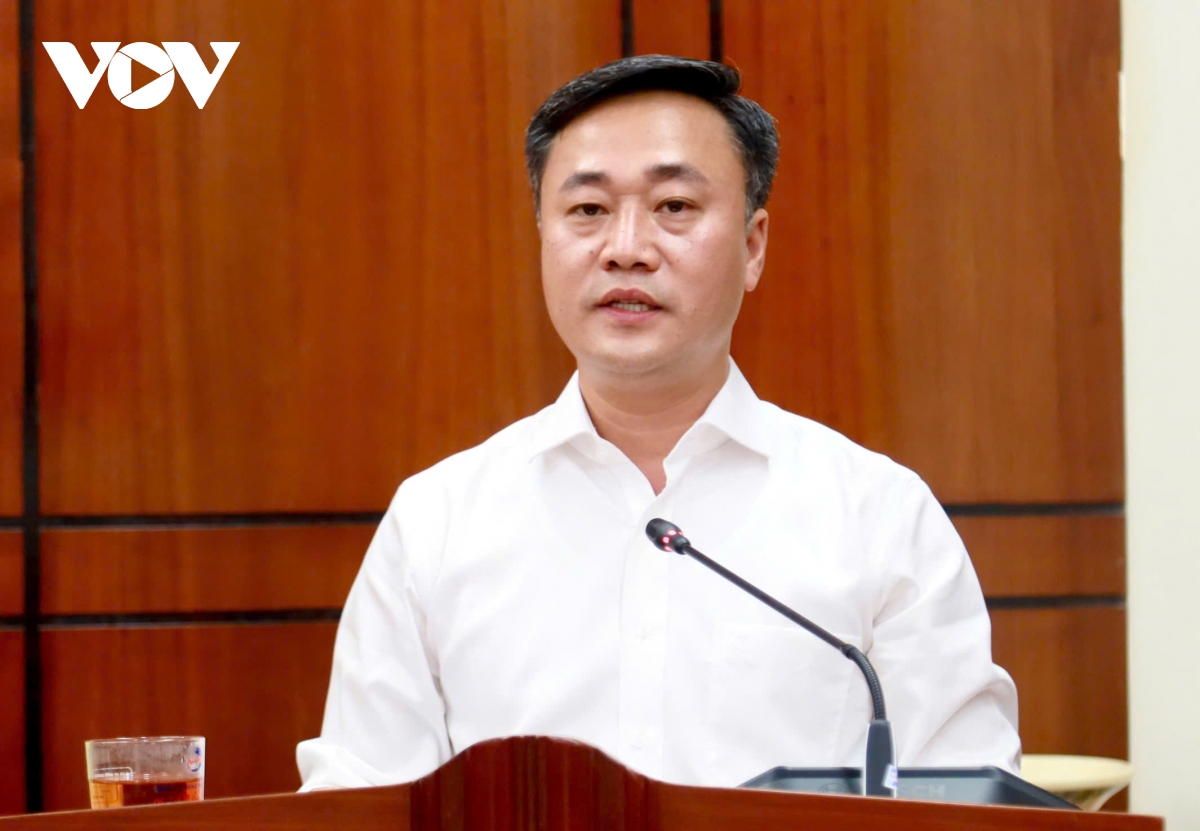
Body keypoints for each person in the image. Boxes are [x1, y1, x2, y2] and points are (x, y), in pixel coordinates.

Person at [296, 55, 1019, 791]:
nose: (626, 249)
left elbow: (967, 798)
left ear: (753, 246)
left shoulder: (880, 517)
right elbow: (360, 798)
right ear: (542, 236)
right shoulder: (439, 521)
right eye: (588, 210)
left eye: (674, 206)